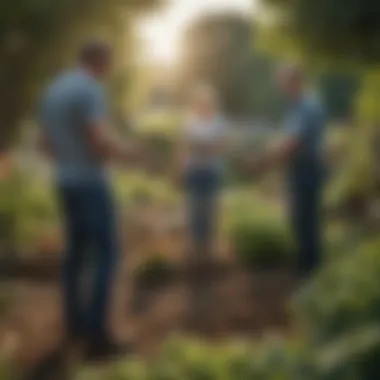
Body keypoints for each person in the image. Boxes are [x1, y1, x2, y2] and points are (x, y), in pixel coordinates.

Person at [36, 39, 136, 369]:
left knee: (74, 255)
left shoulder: (54, 89)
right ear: (101, 62)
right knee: (107, 254)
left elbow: (44, 143)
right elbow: (98, 139)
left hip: (64, 182)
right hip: (91, 183)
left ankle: (75, 326)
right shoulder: (90, 89)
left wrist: (67, 159)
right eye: (109, 66)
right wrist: (127, 153)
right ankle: (98, 336)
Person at [246, 63, 326, 280]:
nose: (282, 88)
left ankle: (310, 269)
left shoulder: (307, 106)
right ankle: (306, 265)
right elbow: (286, 142)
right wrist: (272, 156)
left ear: (294, 81)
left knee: (306, 218)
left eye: (284, 83)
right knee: (300, 218)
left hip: (307, 169)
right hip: (298, 169)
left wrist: (264, 161)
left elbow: (292, 143)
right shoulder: (295, 107)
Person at [174, 84, 229, 328]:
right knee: (194, 211)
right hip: (195, 172)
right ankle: (196, 253)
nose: (202, 105)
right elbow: (183, 149)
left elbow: (222, 146)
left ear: (211, 103)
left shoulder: (218, 123)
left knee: (209, 211)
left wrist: (206, 148)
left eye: (206, 101)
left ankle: (208, 253)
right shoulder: (190, 124)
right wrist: (179, 168)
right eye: (200, 101)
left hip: (211, 172)